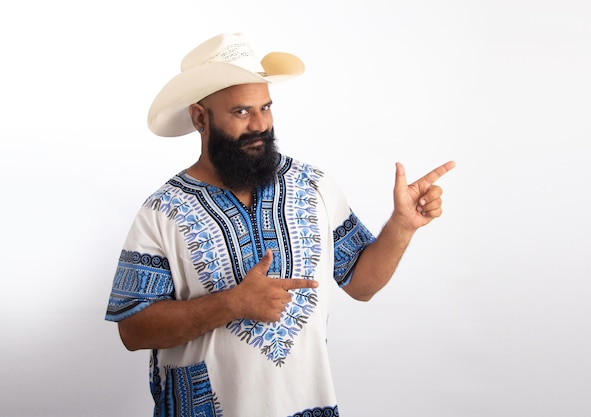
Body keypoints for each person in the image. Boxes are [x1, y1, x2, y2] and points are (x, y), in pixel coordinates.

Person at [106, 32, 455, 417]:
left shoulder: (315, 186)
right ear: (200, 117)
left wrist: (402, 226)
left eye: (266, 107)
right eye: (241, 111)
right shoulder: (163, 211)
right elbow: (133, 329)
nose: (260, 124)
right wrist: (231, 304)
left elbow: (362, 283)